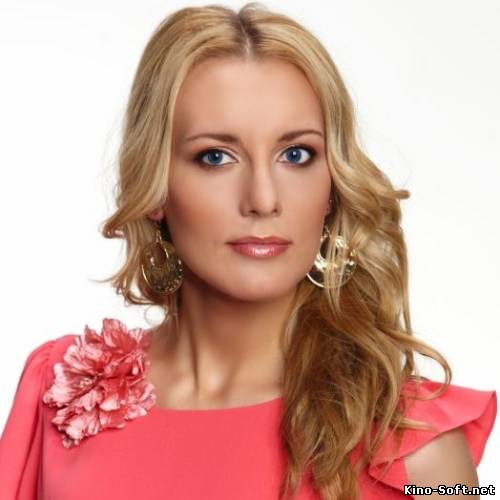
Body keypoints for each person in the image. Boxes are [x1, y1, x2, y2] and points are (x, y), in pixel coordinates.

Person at [0, 3, 496, 499]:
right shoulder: (58, 389)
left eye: (296, 155)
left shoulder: (420, 452)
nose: (263, 199)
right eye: (216, 156)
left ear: (332, 187)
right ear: (154, 187)